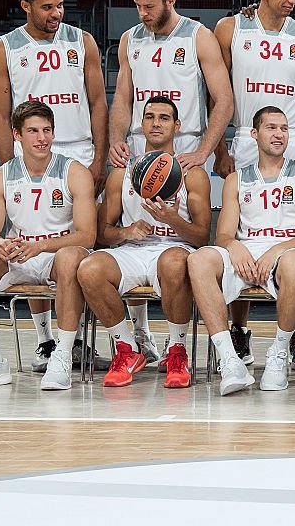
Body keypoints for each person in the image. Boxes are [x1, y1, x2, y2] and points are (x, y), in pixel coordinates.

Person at [214, 0, 295, 370]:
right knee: (246, 231)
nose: (293, 0)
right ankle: (239, 329)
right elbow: (215, 92)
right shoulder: (231, 29)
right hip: (248, 136)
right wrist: (216, 148)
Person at [0, 0, 109, 372]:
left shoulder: (82, 41)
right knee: (32, 238)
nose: (57, 12)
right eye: (47, 7)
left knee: (92, 247)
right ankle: (46, 340)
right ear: (25, 6)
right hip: (33, 153)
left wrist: (99, 159)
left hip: (78, 151)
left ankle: (127, 336)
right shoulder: (4, 49)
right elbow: (1, 114)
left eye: (60, 5)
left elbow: (97, 103)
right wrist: (12, 170)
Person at [107, 0, 232, 359]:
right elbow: (122, 98)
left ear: (170, 1)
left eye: (148, 6)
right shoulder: (130, 39)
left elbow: (223, 100)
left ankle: (177, 344)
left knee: (176, 238)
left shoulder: (198, 37)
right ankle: (139, 334)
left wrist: (205, 150)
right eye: (137, 6)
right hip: (141, 149)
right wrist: (115, 140)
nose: (141, 13)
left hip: (185, 149)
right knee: (134, 232)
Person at [0, 101, 95, 391]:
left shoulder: (74, 171)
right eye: (33, 131)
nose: (42, 138)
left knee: (69, 258)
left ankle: (62, 356)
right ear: (17, 134)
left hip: (58, 253)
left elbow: (87, 236)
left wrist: (41, 246)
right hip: (19, 255)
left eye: (47, 131)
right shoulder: (0, 176)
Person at [187, 106, 295, 394]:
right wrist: (233, 245)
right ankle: (229, 359)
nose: (279, 134)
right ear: (254, 134)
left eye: (284, 129)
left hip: (287, 250)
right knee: (199, 259)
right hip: (247, 251)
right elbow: (223, 233)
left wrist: (277, 249)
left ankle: (279, 353)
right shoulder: (237, 178)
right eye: (271, 127)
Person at [78, 96, 211, 389]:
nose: (156, 123)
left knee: (174, 262)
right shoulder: (122, 175)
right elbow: (102, 233)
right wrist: (127, 232)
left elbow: (203, 237)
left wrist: (172, 219)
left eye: (164, 118)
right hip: (133, 251)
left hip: (175, 249)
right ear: (141, 124)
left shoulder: (193, 174)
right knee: (89, 268)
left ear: (177, 126)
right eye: (150, 117)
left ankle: (176, 352)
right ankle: (127, 350)